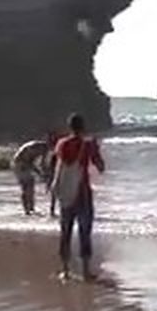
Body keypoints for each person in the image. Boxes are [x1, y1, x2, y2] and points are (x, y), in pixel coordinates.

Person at [52, 113, 105, 281]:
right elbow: (101, 167)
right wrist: (96, 148)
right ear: (83, 127)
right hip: (82, 193)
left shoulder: (61, 144)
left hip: (66, 193)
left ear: (70, 127)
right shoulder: (88, 145)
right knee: (84, 231)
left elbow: (56, 166)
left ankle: (66, 271)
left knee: (65, 231)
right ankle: (85, 271)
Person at [12, 134, 57, 215]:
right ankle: (27, 209)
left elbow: (35, 163)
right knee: (27, 186)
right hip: (20, 164)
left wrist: (41, 173)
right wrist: (43, 174)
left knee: (29, 186)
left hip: (19, 163)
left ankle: (30, 208)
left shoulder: (40, 146)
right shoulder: (42, 148)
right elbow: (34, 163)